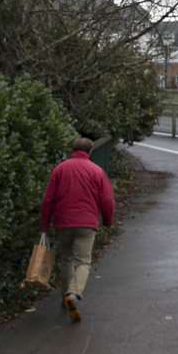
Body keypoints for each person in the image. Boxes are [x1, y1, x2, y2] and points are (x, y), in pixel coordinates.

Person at [39, 136, 116, 323]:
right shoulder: (97, 171)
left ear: (72, 150)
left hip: (63, 222)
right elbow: (107, 200)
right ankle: (74, 293)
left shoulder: (60, 169)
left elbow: (48, 200)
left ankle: (66, 295)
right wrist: (107, 220)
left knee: (65, 259)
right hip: (87, 223)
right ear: (90, 152)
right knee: (83, 261)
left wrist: (44, 225)